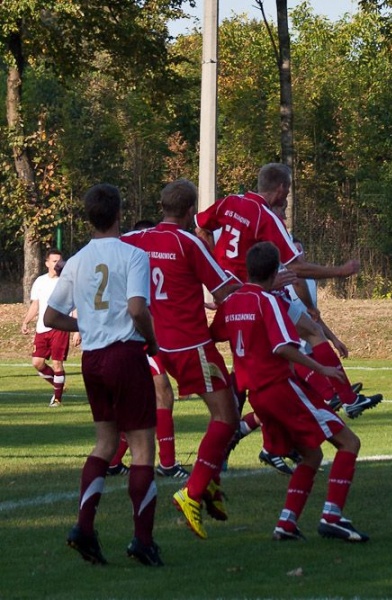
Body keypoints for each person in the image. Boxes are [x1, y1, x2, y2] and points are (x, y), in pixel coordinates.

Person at [195, 163, 382, 472]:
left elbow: (201, 225)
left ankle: (339, 402)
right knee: (263, 371)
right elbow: (296, 268)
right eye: (288, 193)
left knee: (295, 343)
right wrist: (340, 271)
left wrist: (213, 268)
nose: (286, 201)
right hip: (251, 296)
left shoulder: (230, 203)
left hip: (240, 293)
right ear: (281, 190)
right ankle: (259, 441)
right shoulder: (264, 216)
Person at [211, 241, 370, 542]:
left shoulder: (231, 302)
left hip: (256, 394)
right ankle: (332, 517)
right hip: (279, 387)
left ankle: (286, 523)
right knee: (349, 443)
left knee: (311, 456)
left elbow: (215, 333)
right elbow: (282, 346)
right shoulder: (267, 301)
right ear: (276, 272)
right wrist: (322, 369)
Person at [43, 183, 162, 567]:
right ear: (119, 214)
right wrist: (153, 341)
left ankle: (84, 527)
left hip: (92, 359)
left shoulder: (76, 260)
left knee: (105, 444)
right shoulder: (134, 254)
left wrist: (87, 325)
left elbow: (50, 317)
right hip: (126, 355)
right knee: (143, 446)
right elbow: (137, 308)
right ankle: (142, 541)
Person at [122, 179, 241, 540]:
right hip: (191, 344)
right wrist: (259, 286)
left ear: (161, 206)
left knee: (186, 407)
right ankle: (193, 490)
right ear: (191, 212)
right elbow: (223, 292)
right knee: (227, 416)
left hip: (153, 343)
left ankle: (208, 485)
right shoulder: (189, 242)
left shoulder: (134, 239)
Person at [108, 219, 188, 479]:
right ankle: (166, 463)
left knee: (148, 401)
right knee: (161, 394)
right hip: (138, 338)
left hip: (151, 336)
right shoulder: (132, 262)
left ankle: (114, 460)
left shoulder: (138, 260)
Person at [21, 248, 79, 407]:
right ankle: (58, 384)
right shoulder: (40, 281)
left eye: (60, 261)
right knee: (37, 363)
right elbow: (36, 304)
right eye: (54, 261)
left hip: (59, 327)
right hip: (41, 328)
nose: (58, 264)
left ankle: (57, 399)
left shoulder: (66, 282)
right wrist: (26, 321)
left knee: (57, 363)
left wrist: (76, 331)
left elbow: (75, 306)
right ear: (47, 263)